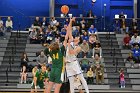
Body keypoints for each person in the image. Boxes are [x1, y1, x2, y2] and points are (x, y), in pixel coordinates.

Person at [64, 17, 89, 93]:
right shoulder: (71, 40)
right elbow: (69, 30)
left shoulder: (79, 47)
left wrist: (68, 44)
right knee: (71, 81)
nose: (76, 37)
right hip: (68, 64)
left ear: (78, 39)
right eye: (76, 36)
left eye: (77, 36)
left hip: (74, 63)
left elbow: (71, 52)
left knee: (81, 78)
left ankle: (87, 92)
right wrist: (71, 21)